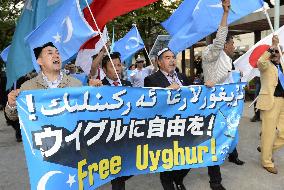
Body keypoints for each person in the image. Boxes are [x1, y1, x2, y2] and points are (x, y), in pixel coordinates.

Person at [202, 0, 244, 189]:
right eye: (232, 43)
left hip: (228, 104)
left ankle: (232, 155)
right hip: (213, 104)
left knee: (229, 134)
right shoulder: (211, 52)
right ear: (225, 44)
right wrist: (225, 13)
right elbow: (218, 41)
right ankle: (215, 182)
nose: (234, 46)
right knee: (213, 141)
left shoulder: (228, 59)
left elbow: (229, 80)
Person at [144, 47, 190, 190]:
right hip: (165, 129)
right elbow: (151, 103)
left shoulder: (183, 77)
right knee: (167, 163)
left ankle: (179, 180)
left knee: (188, 160)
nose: (172, 60)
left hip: (185, 126)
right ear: (159, 62)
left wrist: (207, 87)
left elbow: (194, 95)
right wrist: (166, 92)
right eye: (167, 57)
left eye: (173, 57)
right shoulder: (151, 79)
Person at [5, 42, 81, 122]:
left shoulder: (76, 84)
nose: (56, 56)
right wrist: (12, 105)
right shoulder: (27, 87)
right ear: (40, 61)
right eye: (50, 53)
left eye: (58, 53)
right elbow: (13, 117)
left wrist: (94, 91)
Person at [89, 52, 132, 190]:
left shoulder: (128, 85)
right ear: (104, 70)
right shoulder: (99, 87)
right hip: (110, 137)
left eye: (119, 65)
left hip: (128, 135)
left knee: (129, 168)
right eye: (113, 66)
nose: (117, 68)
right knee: (118, 177)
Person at [256, 35, 284, 174]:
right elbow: (260, 61)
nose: (274, 54)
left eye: (277, 52)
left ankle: (266, 149)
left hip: (283, 102)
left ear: (281, 53)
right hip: (270, 101)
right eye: (273, 52)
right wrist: (272, 47)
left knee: (283, 133)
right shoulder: (266, 65)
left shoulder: (283, 65)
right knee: (268, 133)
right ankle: (266, 161)